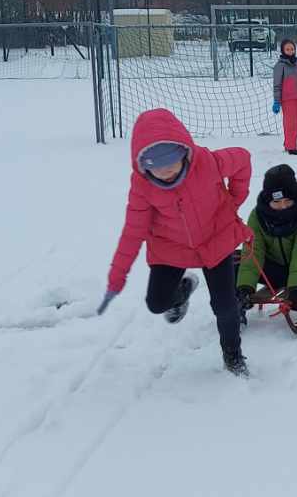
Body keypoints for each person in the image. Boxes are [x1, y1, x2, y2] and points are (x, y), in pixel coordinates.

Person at [99, 107, 253, 375]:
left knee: (225, 305)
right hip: (171, 247)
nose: (165, 172)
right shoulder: (142, 186)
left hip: (214, 240)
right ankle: (182, 290)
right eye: (156, 167)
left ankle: (233, 357)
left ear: (184, 152)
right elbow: (133, 232)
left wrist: (233, 200)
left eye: (171, 163)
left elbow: (243, 159)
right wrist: (116, 279)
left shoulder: (208, 162)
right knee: (156, 303)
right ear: (142, 164)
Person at [235, 164, 297, 334]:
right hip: (275, 270)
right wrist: (245, 286)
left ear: (295, 198)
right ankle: (235, 309)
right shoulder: (258, 216)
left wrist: (295, 289)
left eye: (287, 201)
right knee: (235, 258)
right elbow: (255, 250)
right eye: (276, 202)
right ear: (268, 200)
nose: (282, 206)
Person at [272, 38, 297, 156]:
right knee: (290, 124)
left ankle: (289, 143)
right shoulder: (280, 65)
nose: (290, 51)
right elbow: (277, 85)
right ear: (283, 50)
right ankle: (291, 147)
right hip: (287, 99)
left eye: (292, 49)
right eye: (287, 49)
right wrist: (277, 101)